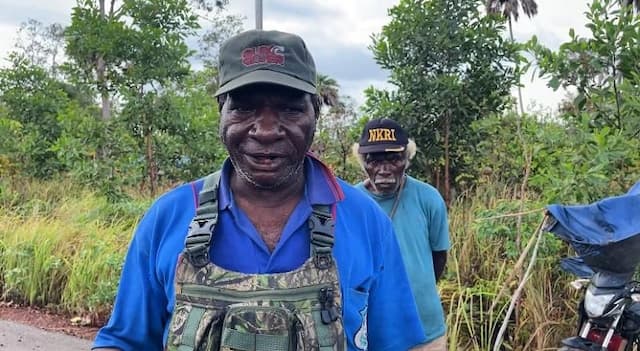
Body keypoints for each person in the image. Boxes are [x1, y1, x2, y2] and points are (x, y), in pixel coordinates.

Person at [92, 30, 427, 351]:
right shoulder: (169, 217)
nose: (266, 130)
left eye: (290, 108)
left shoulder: (365, 220)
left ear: (315, 114)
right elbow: (124, 342)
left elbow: (398, 344)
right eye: (245, 107)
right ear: (220, 111)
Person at [352, 118, 451, 351]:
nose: (383, 170)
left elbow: (439, 257)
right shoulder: (350, 203)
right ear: (362, 161)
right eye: (374, 160)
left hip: (426, 332)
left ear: (406, 159)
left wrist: (412, 292)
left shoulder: (428, 198)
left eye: (393, 159)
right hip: (371, 332)